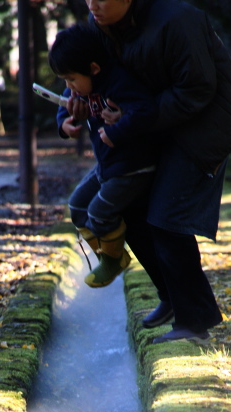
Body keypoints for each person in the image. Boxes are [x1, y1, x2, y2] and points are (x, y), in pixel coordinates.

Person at [64, 0, 231, 342]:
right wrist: (74, 102)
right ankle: (173, 298)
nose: (93, 5)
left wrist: (133, 118)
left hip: (202, 124)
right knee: (126, 202)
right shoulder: (98, 25)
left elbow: (197, 88)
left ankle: (194, 323)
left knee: (166, 217)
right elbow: (85, 71)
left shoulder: (179, 20)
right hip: (146, 127)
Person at [49, 23, 160, 287]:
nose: (69, 86)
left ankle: (113, 262)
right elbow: (66, 101)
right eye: (65, 80)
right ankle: (110, 254)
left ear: (94, 69)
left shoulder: (118, 82)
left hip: (131, 167)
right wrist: (65, 123)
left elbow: (146, 112)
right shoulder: (80, 87)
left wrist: (118, 131)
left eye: (72, 79)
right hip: (106, 165)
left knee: (99, 213)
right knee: (77, 207)